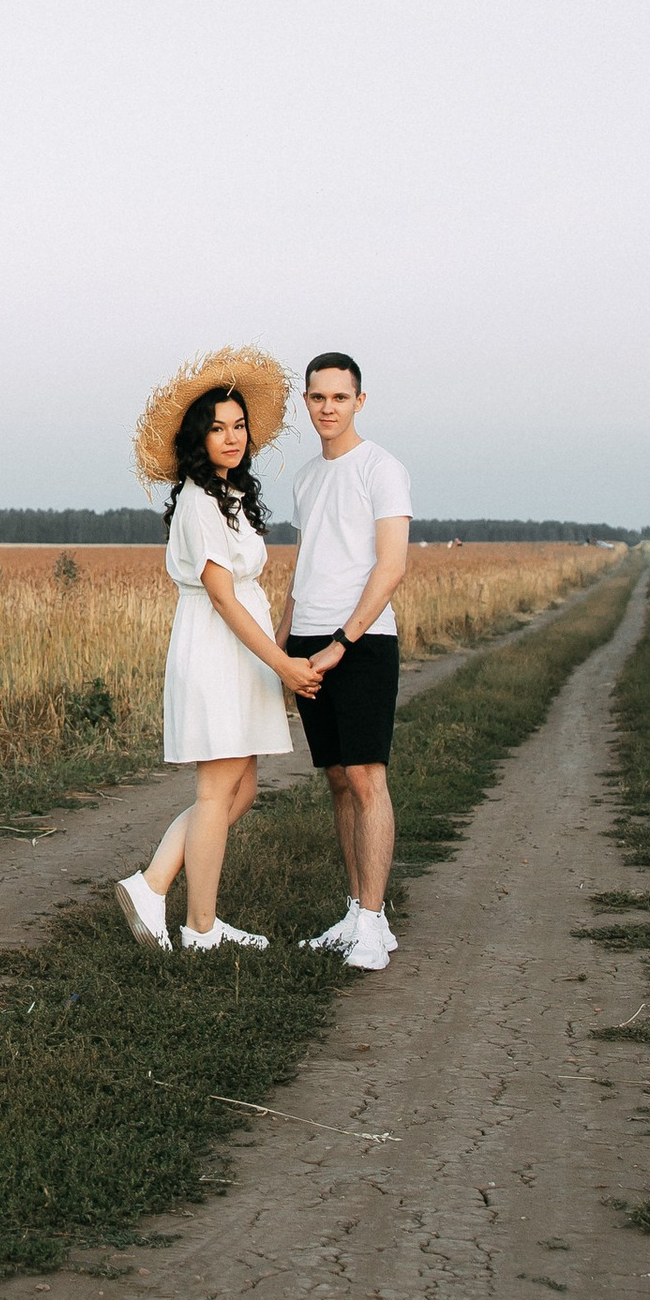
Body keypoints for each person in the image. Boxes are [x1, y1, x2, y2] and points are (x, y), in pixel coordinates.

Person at [114, 344, 324, 953]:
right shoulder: (201, 502)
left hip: (241, 652)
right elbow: (224, 597)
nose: (231, 438)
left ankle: (153, 884)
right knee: (216, 791)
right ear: (195, 438)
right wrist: (282, 661)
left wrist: (272, 658)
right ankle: (200, 927)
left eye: (238, 427)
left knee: (242, 789)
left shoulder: (228, 495)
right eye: (217, 428)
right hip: (218, 649)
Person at [287, 350, 412, 974]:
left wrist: (344, 640)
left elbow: (390, 565)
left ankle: (371, 918)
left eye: (339, 397)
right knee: (336, 780)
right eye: (317, 397)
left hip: (362, 642)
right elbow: (306, 567)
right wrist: (286, 650)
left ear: (359, 401)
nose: (328, 407)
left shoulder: (383, 469)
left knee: (367, 779)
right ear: (305, 402)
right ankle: (358, 912)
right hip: (306, 643)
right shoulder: (306, 478)